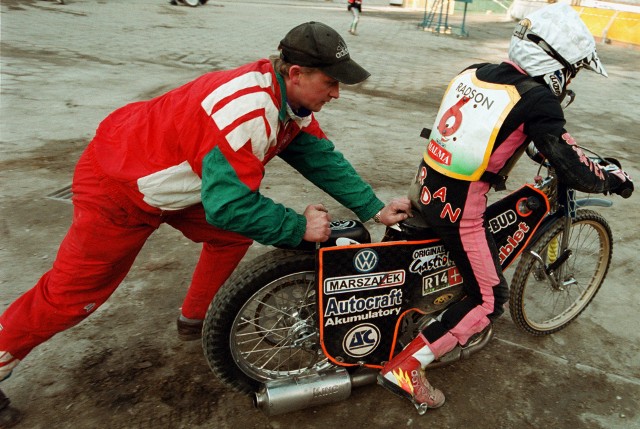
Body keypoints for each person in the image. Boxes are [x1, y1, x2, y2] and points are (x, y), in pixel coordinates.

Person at [0, 21, 412, 424]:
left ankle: (197, 320)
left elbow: (316, 155)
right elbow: (230, 206)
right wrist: (295, 226)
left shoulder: (288, 99)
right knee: (71, 296)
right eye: (331, 82)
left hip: (177, 177)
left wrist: (372, 207)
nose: (337, 93)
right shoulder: (246, 113)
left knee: (231, 238)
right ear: (297, 72)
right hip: (120, 184)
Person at [377, 3, 633, 413]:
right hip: (459, 212)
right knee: (491, 298)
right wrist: (612, 179)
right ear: (556, 64)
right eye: (571, 71)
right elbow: (572, 165)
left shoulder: (473, 71)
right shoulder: (538, 102)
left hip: (424, 188)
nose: (568, 81)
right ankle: (408, 366)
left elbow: (495, 132)